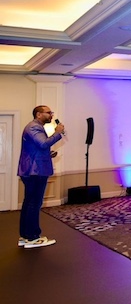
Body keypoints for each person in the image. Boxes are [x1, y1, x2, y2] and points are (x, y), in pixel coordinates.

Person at [17, 105, 65, 249]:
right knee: (34, 204)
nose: (51, 115)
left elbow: (38, 148)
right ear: (38, 114)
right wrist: (57, 133)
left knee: (29, 203)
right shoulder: (34, 127)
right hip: (35, 171)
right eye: (48, 112)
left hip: (33, 170)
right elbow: (44, 144)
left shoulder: (35, 127)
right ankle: (32, 237)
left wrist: (47, 154)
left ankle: (25, 236)